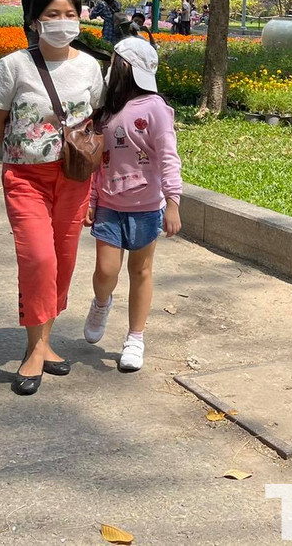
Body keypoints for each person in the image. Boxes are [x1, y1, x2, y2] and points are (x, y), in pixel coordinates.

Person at [0, 0, 105, 395]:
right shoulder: (14, 66)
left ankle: (44, 340)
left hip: (74, 177)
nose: (62, 22)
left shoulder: (89, 67)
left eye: (69, 14)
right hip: (26, 177)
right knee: (38, 258)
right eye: (52, 14)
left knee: (63, 261)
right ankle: (35, 349)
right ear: (34, 21)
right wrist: (24, 149)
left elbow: (93, 119)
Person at [83, 38, 182, 372]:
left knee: (141, 271)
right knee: (106, 271)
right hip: (109, 205)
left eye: (114, 62)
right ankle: (101, 302)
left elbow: (168, 157)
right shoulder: (105, 111)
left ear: (124, 67)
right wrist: (91, 200)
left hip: (147, 207)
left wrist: (173, 201)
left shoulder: (155, 108)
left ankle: (135, 338)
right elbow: (97, 161)